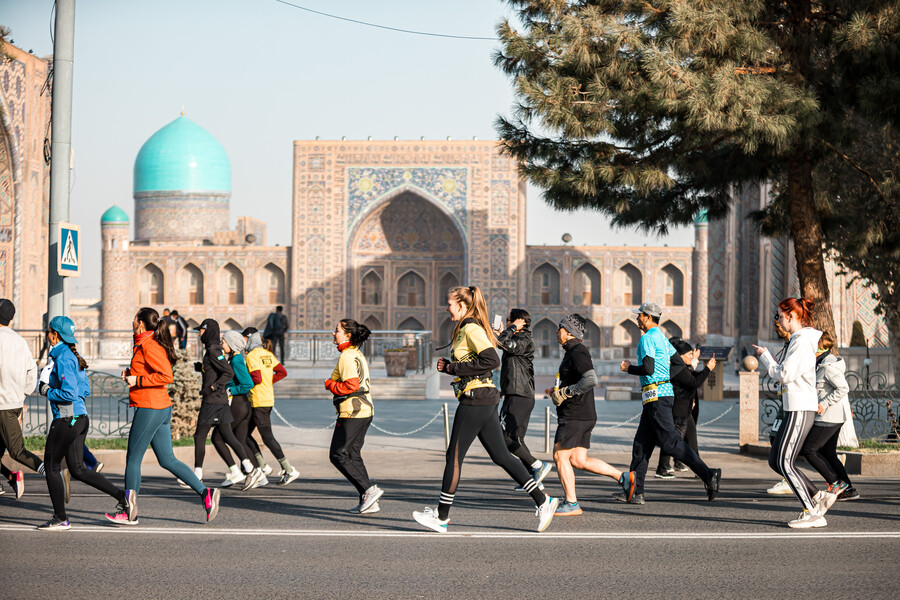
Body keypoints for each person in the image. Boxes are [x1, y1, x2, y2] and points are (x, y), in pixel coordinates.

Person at [412, 285, 559, 533]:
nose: (446, 307)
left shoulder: (470, 328)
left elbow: (492, 359)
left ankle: (442, 516)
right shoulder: (465, 329)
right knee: (501, 456)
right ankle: (544, 501)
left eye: (450, 303)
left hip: (476, 398)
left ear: (462, 305)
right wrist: (453, 366)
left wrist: (452, 369)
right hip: (484, 397)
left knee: (454, 457)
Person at [106, 307, 220, 525]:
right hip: (159, 407)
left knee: (133, 459)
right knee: (167, 459)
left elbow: (166, 375)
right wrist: (132, 375)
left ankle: (129, 512)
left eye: (134, 318)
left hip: (151, 408)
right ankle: (206, 494)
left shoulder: (149, 345)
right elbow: (152, 372)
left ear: (140, 323)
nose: (131, 322)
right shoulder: (144, 343)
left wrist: (137, 381)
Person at [619, 302, 721, 505]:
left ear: (648, 317)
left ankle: (708, 474)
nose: (637, 318)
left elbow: (647, 369)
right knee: (641, 446)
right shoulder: (663, 340)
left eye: (639, 315)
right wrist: (664, 378)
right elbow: (678, 363)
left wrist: (629, 368)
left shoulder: (647, 339)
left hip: (657, 398)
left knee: (670, 443)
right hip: (656, 397)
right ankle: (635, 491)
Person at [35, 316, 129, 530]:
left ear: (54, 334)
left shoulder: (63, 358)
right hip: (80, 418)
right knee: (78, 469)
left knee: (51, 466)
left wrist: (47, 391)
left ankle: (60, 518)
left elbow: (69, 393)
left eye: (48, 331)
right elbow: (84, 390)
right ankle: (122, 497)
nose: (47, 334)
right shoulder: (73, 357)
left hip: (67, 419)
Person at [753, 297, 828, 528]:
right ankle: (817, 496)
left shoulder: (803, 340)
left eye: (779, 316)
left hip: (800, 406)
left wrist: (766, 358)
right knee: (776, 460)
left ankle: (812, 512)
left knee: (785, 462)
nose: (777, 321)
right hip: (794, 406)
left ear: (791, 316)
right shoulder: (798, 339)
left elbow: (784, 374)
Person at [550, 314, 636, 516]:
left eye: (559, 327)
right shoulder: (573, 351)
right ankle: (623, 478)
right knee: (579, 460)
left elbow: (591, 379)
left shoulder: (577, 352)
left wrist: (565, 393)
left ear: (569, 331)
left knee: (559, 455)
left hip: (575, 415)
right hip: (583, 413)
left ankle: (571, 503)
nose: (557, 331)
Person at [325, 319, 383, 513]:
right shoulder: (356, 354)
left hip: (353, 412)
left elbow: (351, 386)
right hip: (365, 411)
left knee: (338, 454)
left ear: (348, 335)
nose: (333, 333)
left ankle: (368, 490)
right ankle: (369, 500)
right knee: (353, 455)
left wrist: (329, 384)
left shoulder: (347, 356)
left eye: (337, 330)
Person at [494, 309, 553, 489]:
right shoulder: (517, 339)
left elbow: (503, 343)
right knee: (513, 439)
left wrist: (510, 328)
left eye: (509, 320)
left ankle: (537, 466)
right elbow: (501, 343)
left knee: (506, 438)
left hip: (520, 395)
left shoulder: (524, 339)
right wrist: (504, 332)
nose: (506, 321)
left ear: (518, 322)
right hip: (515, 393)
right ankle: (533, 479)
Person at [798, 331, 859, 505]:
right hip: (832, 417)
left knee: (809, 450)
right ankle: (848, 489)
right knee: (828, 453)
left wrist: (824, 403)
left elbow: (843, 388)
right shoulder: (821, 362)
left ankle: (836, 482)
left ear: (819, 347)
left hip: (828, 416)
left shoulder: (828, 366)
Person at [190, 319, 250, 485]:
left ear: (207, 331)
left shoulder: (213, 349)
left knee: (200, 436)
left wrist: (212, 387)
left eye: (201, 330)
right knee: (226, 436)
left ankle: (197, 473)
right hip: (220, 400)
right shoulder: (214, 350)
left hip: (212, 400)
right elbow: (216, 369)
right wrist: (202, 368)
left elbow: (228, 372)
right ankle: (244, 467)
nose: (199, 334)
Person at [242, 331, 298, 488]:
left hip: (258, 401)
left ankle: (288, 469)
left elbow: (257, 378)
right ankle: (262, 466)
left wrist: (242, 382)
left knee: (267, 438)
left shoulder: (252, 356)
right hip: (267, 399)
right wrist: (269, 380)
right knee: (244, 434)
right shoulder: (267, 354)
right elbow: (282, 372)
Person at [0, 298, 43, 499]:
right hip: (14, 404)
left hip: (2, 406)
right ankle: (11, 477)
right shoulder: (19, 341)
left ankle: (52, 472)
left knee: (17, 452)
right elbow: (31, 371)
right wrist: (22, 394)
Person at [655, 338, 715, 478]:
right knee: (672, 440)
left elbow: (691, 377)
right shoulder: (678, 369)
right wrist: (708, 369)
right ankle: (663, 468)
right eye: (688, 354)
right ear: (679, 356)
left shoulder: (681, 368)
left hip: (683, 409)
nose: (691, 357)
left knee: (687, 439)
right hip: (678, 410)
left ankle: (700, 470)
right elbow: (694, 382)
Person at [211, 330, 257, 487]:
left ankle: (236, 471)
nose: (222, 344)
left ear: (231, 343)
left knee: (217, 437)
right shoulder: (235, 359)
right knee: (240, 440)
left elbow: (248, 383)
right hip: (242, 404)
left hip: (237, 404)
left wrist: (231, 390)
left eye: (224, 341)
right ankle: (257, 473)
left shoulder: (236, 360)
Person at [766, 315, 795, 495]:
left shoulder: (796, 344)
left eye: (778, 325)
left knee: (788, 441)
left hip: (794, 401)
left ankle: (789, 480)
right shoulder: (787, 345)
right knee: (775, 437)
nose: (776, 329)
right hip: (783, 400)